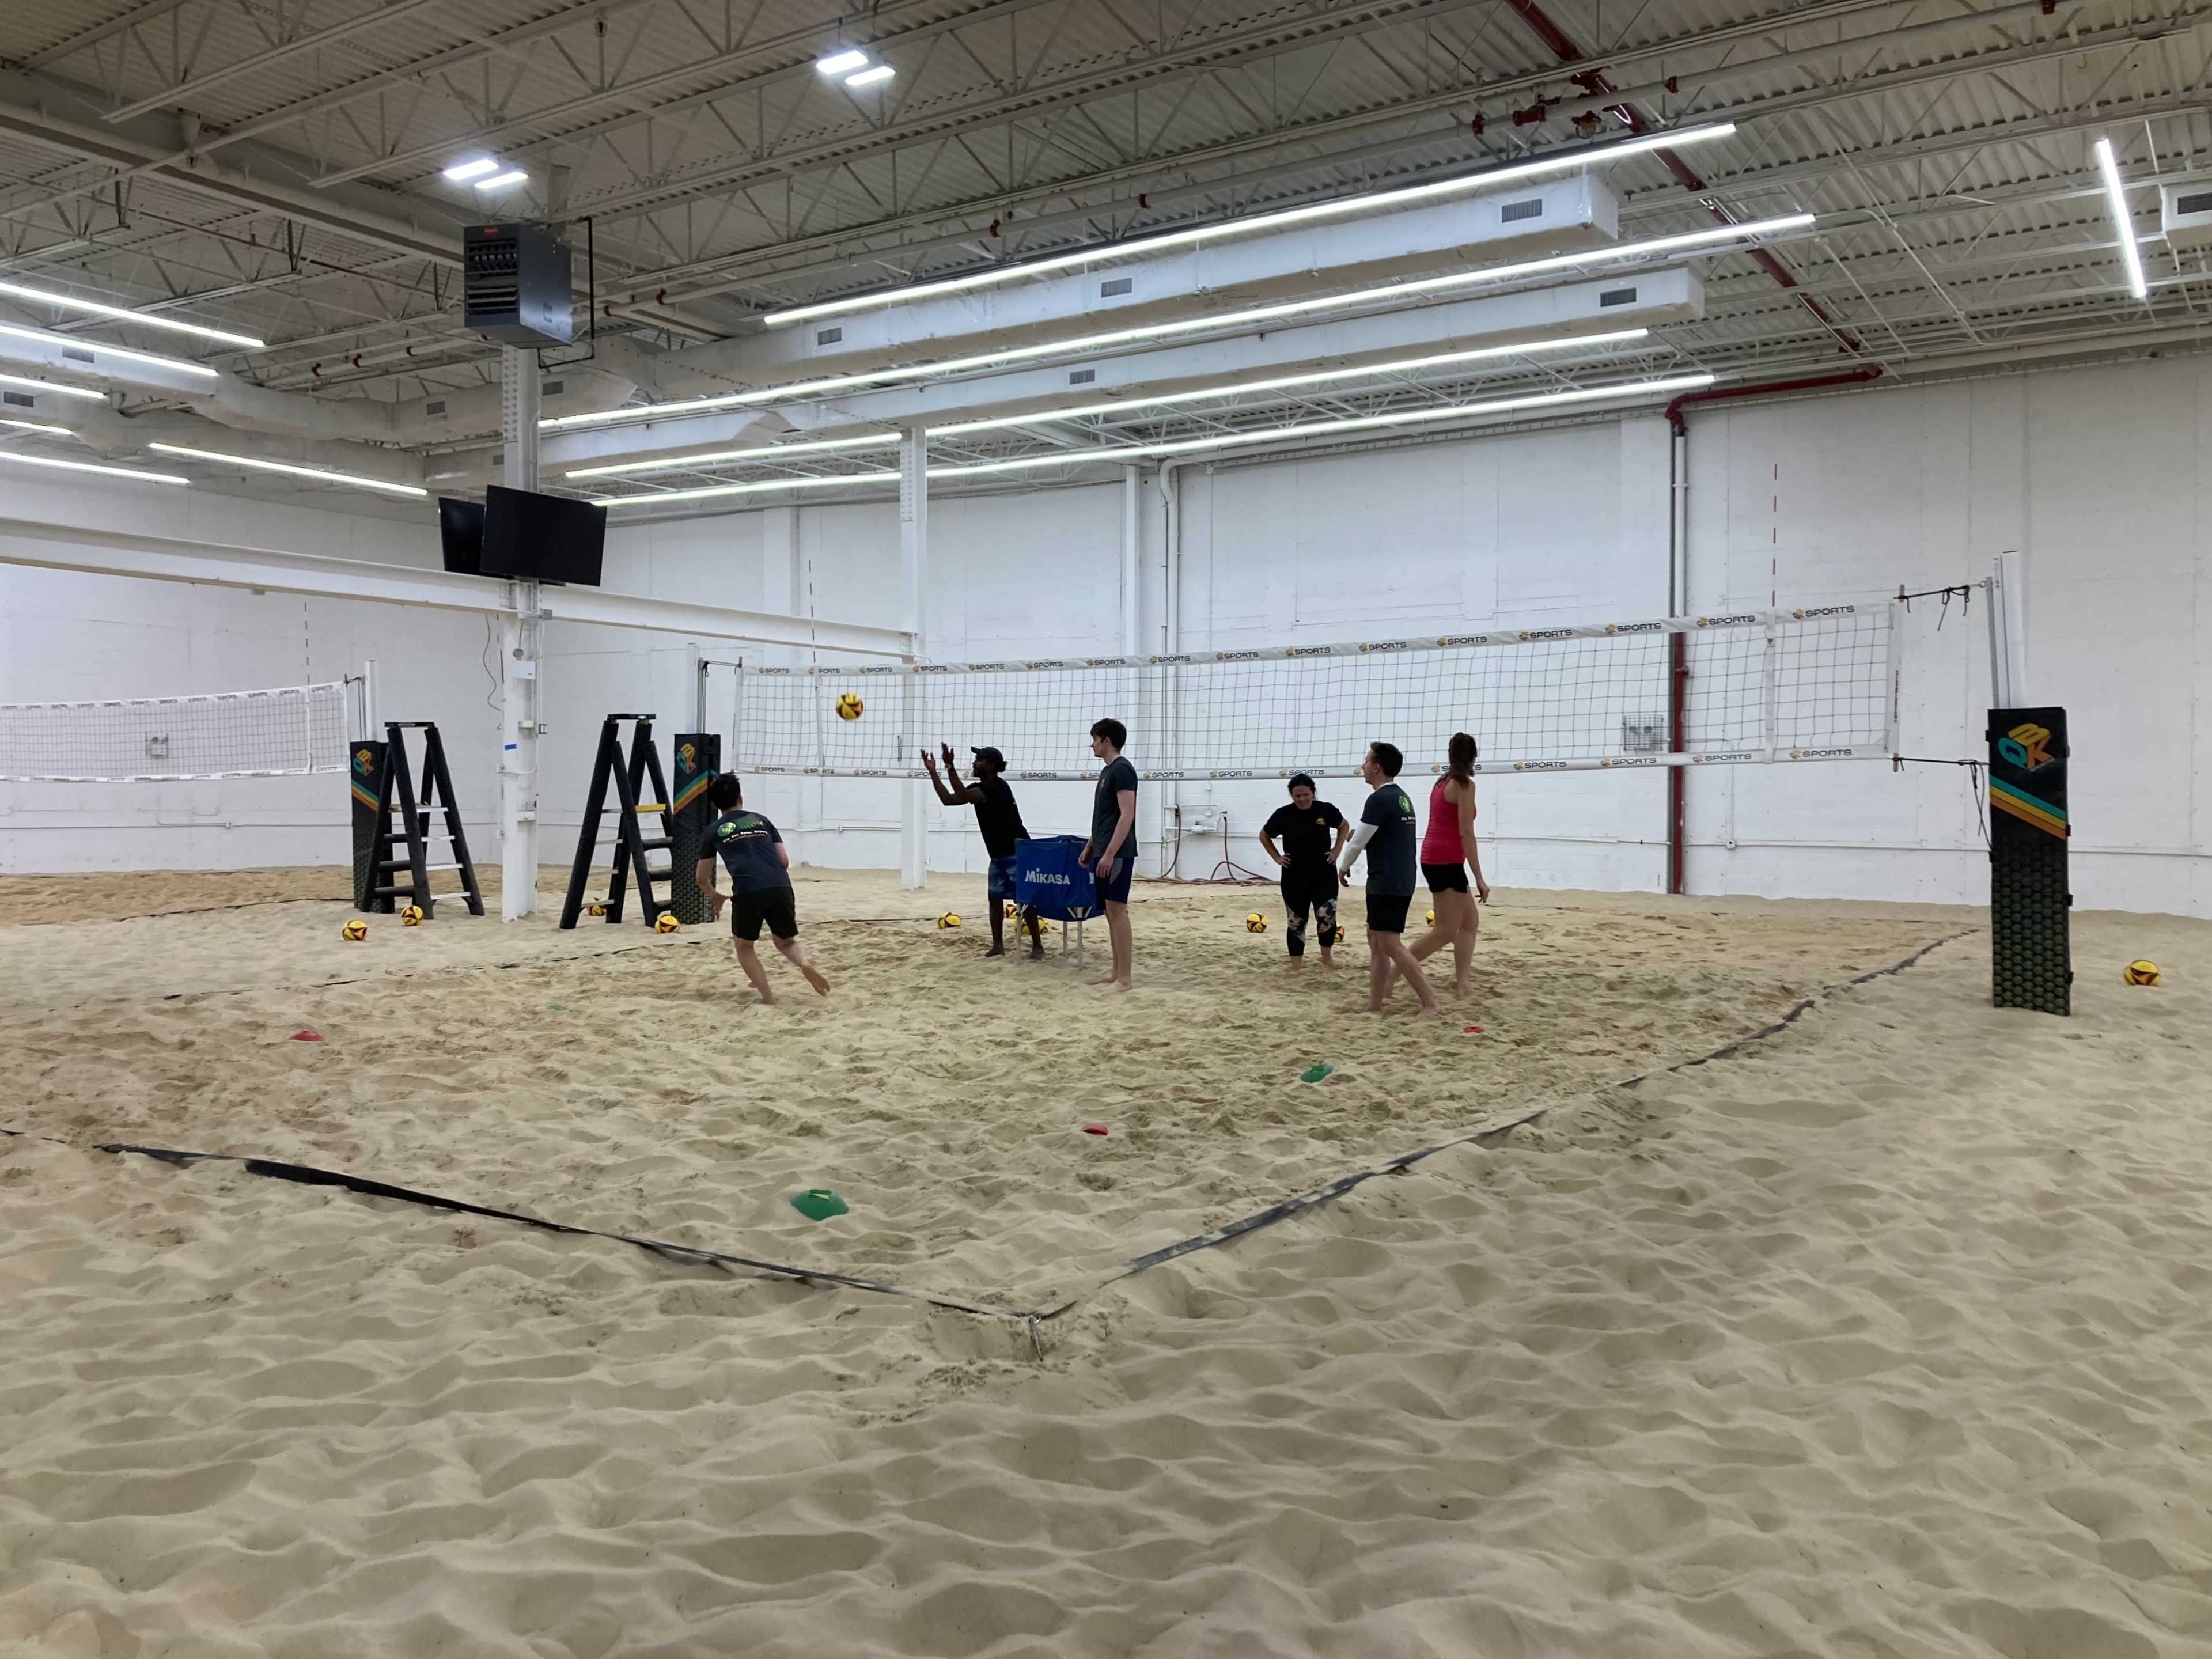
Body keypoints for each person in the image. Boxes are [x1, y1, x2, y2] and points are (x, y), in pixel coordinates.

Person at [694, 774, 831, 1005]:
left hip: (748, 891)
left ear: (715, 805)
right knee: (786, 942)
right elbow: (784, 861)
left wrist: (714, 894)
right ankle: (804, 963)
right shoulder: (760, 820)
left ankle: (769, 997)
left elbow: (701, 878)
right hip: (780, 885)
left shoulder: (714, 830)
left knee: (744, 946)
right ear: (740, 798)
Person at [1338, 741, 1441, 1017]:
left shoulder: (1379, 799)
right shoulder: (1401, 797)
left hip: (1387, 881)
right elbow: (1383, 838)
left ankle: (1430, 1003)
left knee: (1389, 943)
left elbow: (1356, 843)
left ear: (1377, 767)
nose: (1362, 766)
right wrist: (1362, 840)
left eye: (1366, 761)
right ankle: (1374, 1005)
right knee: (1376, 940)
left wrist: (1343, 867)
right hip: (1398, 877)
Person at [921, 743, 1044, 959]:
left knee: (1024, 901)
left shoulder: (997, 787)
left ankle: (1037, 947)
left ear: (991, 765)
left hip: (1017, 851)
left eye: (979, 760)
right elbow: (949, 800)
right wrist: (933, 772)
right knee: (995, 900)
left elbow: (963, 794)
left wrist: (950, 767)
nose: (974, 763)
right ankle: (998, 947)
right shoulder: (979, 788)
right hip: (997, 854)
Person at [1408, 731, 1490, 997]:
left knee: (1469, 921)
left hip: (1436, 858)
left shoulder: (1441, 781)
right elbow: (1466, 833)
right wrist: (1479, 878)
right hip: (1445, 861)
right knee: (1444, 932)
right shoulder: (1464, 785)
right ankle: (1396, 970)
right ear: (1473, 756)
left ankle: (1463, 983)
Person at [1260, 773, 1349, 969]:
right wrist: (1277, 857)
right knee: (1296, 921)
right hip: (1294, 877)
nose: (1302, 799)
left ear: (1313, 793)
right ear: (1292, 795)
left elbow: (1344, 826)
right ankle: (1296, 965)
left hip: (1324, 875)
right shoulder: (1283, 814)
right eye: (1297, 796)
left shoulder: (1326, 810)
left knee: (1326, 916)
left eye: (1305, 795)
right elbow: (1264, 835)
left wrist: (1337, 850)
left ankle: (1327, 959)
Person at [1075, 716, 1137, 991]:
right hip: (1104, 850)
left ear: (1107, 740)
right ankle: (1116, 973)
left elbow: (1127, 815)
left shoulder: (1122, 770)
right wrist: (1092, 846)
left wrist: (1110, 854)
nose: (1092, 745)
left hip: (1118, 853)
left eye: (1095, 739)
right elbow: (1106, 818)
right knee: (1111, 912)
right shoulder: (1108, 772)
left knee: (1118, 910)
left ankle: (1125, 979)